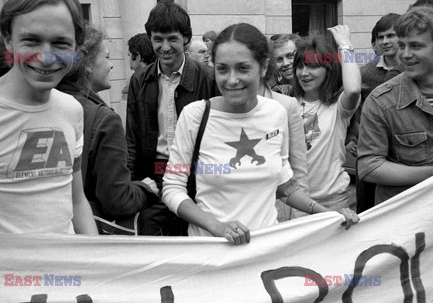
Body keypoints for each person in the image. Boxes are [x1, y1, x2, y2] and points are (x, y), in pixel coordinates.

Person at [162, 23, 359, 245]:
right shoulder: (194, 116)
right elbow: (172, 188)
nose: (232, 79)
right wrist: (216, 226)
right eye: (222, 69)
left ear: (263, 68)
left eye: (243, 68)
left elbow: (285, 185)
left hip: (266, 252)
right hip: (211, 254)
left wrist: (325, 213)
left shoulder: (277, 112)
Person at [0, 0, 97, 234]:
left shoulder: (72, 109)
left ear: (76, 48)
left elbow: (77, 200)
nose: (47, 57)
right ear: (8, 40)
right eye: (32, 41)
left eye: (61, 43)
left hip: (66, 268)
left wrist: (95, 261)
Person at [126, 1, 215, 236]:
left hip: (197, 173)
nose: (165, 47)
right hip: (155, 174)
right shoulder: (139, 80)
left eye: (172, 39)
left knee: (196, 242)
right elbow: (132, 137)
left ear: (185, 38)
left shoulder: (208, 78)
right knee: (153, 246)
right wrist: (135, 184)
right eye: (158, 39)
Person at [57, 27, 159, 233]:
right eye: (108, 57)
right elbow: (117, 200)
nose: (112, 64)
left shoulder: (47, 103)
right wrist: (145, 189)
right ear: (86, 66)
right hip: (87, 235)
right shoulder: (104, 120)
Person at [357, 6, 433, 205]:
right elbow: (369, 166)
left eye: (415, 46)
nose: (405, 54)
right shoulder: (381, 101)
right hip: (407, 221)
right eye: (402, 46)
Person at [292, 27, 361, 211]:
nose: (304, 73)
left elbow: (353, 88)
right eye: (300, 66)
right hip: (296, 201)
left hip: (333, 201)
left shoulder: (338, 107)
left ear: (328, 70)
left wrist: (345, 45)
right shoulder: (288, 104)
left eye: (312, 66)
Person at [259, 42, 309, 221]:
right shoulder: (220, 107)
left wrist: (300, 219)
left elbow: (299, 169)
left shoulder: (287, 105)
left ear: (264, 66)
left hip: (282, 211)